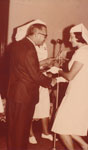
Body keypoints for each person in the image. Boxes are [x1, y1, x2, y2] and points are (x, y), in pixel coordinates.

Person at [6, 20, 56, 150]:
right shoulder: (30, 49)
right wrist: (51, 81)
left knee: (14, 129)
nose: (45, 39)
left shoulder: (17, 45)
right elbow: (35, 75)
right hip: (24, 96)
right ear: (37, 34)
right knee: (21, 131)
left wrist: (42, 64)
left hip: (15, 93)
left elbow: (23, 68)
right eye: (45, 35)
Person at [51, 23, 88, 150]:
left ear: (79, 37)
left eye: (71, 37)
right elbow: (76, 76)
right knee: (67, 126)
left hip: (78, 95)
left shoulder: (82, 53)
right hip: (76, 92)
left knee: (60, 126)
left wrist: (57, 70)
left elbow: (70, 76)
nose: (69, 40)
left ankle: (84, 146)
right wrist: (57, 79)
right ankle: (85, 146)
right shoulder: (81, 51)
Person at [29, 43, 54, 144]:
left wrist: (49, 67)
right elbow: (30, 66)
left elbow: (44, 64)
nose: (44, 39)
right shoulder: (29, 47)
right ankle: (30, 134)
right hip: (32, 80)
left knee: (44, 105)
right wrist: (45, 63)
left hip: (42, 78)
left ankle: (45, 132)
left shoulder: (43, 45)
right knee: (31, 108)